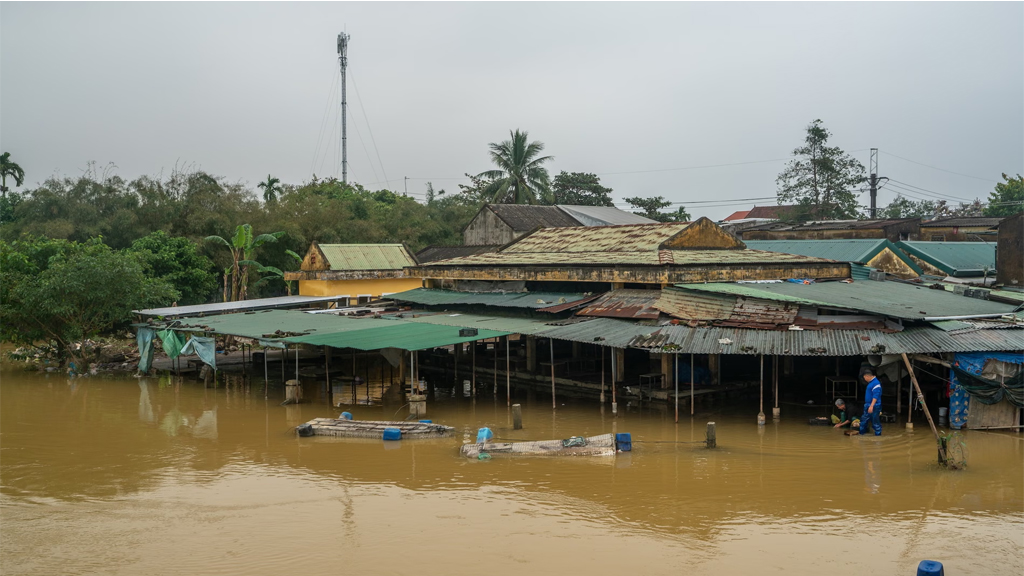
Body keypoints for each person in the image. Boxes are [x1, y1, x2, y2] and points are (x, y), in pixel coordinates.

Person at [858, 367, 883, 436]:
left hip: (874, 405)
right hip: (868, 405)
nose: (864, 379)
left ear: (867, 376)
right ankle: (861, 434)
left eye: (864, 378)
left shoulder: (876, 383)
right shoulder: (872, 383)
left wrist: (872, 406)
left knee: (875, 421)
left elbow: (876, 396)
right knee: (864, 420)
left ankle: (878, 436)